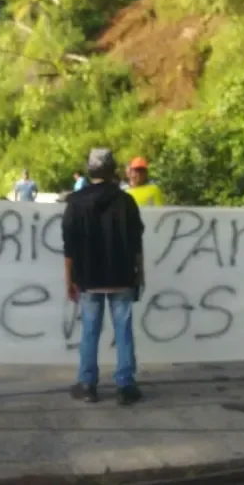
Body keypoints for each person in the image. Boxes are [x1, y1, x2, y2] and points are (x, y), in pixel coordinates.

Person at [62, 147, 145, 406]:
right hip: (121, 275)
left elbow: (69, 246)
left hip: (88, 277)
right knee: (124, 331)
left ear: (89, 171)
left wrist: (69, 280)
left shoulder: (75, 202)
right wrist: (139, 275)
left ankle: (88, 385)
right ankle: (126, 386)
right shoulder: (126, 201)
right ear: (113, 171)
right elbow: (136, 244)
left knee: (89, 331)